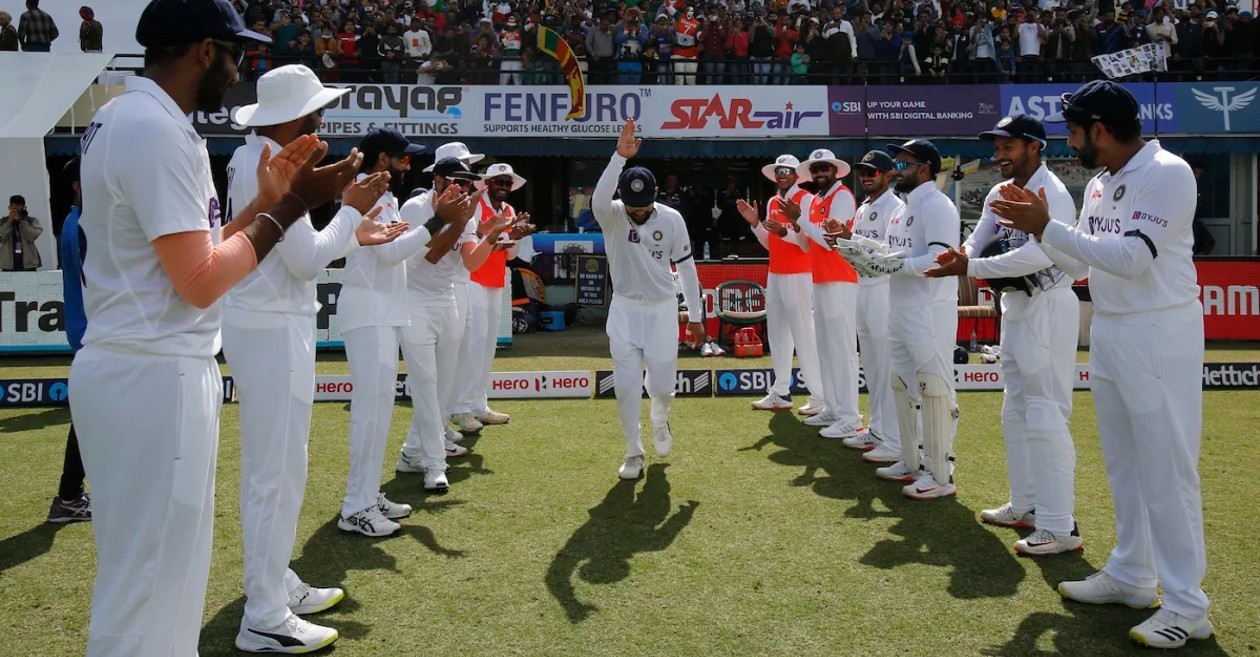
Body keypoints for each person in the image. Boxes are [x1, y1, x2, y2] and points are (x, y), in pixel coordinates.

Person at [70, 0, 360, 652]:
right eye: (233, 54)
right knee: (153, 594)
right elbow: (199, 279)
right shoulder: (159, 130)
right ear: (205, 51)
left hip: (136, 362)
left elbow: (188, 259)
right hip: (153, 371)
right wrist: (287, 209)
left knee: (143, 589)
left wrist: (264, 205)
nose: (236, 70)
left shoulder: (122, 114)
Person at [991, 80, 1213, 649]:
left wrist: (1047, 226)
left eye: (1073, 130)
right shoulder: (1100, 182)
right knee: (1124, 464)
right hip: (1113, 329)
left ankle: (1188, 607)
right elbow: (1080, 260)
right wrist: (1039, 233)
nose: (1069, 141)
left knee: (1168, 470)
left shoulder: (1168, 172)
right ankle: (1133, 575)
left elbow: (1134, 259)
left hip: (1160, 328)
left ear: (1101, 129)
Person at [223, 64, 408, 653]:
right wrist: (352, 211)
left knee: (277, 468)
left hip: (269, 321)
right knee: (277, 471)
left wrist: (354, 229)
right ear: (297, 118)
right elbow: (304, 261)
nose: (323, 120)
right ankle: (264, 613)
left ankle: (272, 584)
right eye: (317, 111)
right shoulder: (273, 164)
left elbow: (301, 253)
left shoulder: (253, 155)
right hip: (273, 324)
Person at [928, 114, 1089, 555]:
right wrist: (958, 256)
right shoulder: (1000, 192)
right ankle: (1026, 504)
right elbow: (978, 239)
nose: (998, 154)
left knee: (1045, 413)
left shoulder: (1051, 193)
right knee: (1015, 409)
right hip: (1014, 306)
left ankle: (1060, 525)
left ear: (1034, 146)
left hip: (1050, 305)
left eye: (1007, 146)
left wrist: (971, 268)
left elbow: (1041, 256)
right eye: (996, 147)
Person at [396, 158, 517, 493]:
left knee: (441, 389)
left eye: (467, 184)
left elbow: (471, 260)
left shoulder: (463, 212)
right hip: (413, 302)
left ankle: (410, 453)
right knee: (425, 383)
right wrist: (450, 220)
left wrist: (491, 236)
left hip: (446, 300)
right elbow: (429, 255)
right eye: (456, 182)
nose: (463, 189)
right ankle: (435, 464)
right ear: (436, 181)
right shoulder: (414, 208)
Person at [594, 119, 704, 480]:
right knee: (626, 388)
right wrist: (617, 158)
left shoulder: (672, 219)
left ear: (655, 197)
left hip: (661, 310)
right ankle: (633, 452)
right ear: (622, 199)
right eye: (631, 206)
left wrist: (697, 316)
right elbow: (599, 197)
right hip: (624, 310)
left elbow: (686, 269)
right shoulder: (610, 215)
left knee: (661, 386)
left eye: (643, 206)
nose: (637, 213)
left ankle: (660, 416)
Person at [336, 127, 428, 538]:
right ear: (380, 159)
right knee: (370, 413)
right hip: (369, 309)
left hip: (384, 309)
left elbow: (394, 249)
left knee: (381, 411)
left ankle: (368, 495)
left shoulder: (383, 195)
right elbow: (389, 254)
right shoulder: (364, 193)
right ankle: (355, 507)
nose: (406, 164)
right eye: (400, 157)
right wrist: (439, 223)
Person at [869, 139, 961, 500]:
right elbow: (896, 252)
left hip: (929, 308)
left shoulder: (937, 205)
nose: (896, 169)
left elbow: (941, 259)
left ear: (924, 168)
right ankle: (912, 460)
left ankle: (940, 472)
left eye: (903, 163)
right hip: (900, 305)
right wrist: (862, 249)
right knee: (903, 384)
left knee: (935, 388)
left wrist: (896, 265)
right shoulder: (904, 206)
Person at [784, 149, 864, 440]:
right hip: (822, 278)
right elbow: (808, 246)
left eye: (824, 168)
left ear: (835, 170)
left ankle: (850, 417)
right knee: (827, 348)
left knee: (842, 350)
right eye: (816, 169)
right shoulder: (816, 199)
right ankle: (832, 408)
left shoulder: (842, 196)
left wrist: (802, 222)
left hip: (842, 278)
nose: (819, 173)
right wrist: (793, 228)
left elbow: (831, 242)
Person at [736, 154, 824, 416]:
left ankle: (819, 396)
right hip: (775, 273)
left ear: (797, 174)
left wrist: (784, 233)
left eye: (788, 170)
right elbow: (770, 243)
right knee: (777, 334)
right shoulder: (774, 201)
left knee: (804, 335)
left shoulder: (805, 199)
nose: (783, 174)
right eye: (779, 171)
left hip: (798, 274)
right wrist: (755, 223)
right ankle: (781, 391)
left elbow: (807, 242)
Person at [451, 162, 532, 431]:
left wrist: (516, 235)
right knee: (472, 346)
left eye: (507, 183)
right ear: (487, 183)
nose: (503, 187)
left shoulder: (508, 211)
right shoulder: (477, 206)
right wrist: (500, 234)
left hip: (496, 281)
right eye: (498, 181)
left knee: (486, 346)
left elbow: (509, 254)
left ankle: (477, 405)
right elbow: (474, 240)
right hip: (473, 279)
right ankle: (460, 407)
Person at [841, 150, 904, 464]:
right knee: (872, 364)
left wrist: (853, 242)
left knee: (885, 365)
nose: (867, 177)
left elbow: (892, 253)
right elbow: (860, 246)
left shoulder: (895, 206)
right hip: (862, 286)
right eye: (863, 171)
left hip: (882, 289)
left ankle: (893, 438)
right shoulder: (864, 206)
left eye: (873, 172)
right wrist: (845, 239)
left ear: (889, 174)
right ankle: (878, 429)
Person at [48, 158, 90, 524]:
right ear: (78, 184)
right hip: (94, 336)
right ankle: (69, 495)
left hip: (88, 335)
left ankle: (70, 495)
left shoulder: (73, 222)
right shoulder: (80, 225)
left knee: (90, 420)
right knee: (90, 421)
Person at [2, 195, 42, 271]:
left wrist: (22, 221)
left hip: (28, 263)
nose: (17, 212)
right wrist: (9, 221)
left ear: (24, 208)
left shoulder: (32, 221)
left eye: (20, 209)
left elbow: (31, 237)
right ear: (9, 208)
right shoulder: (3, 221)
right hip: (8, 264)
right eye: (15, 209)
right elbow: (2, 237)